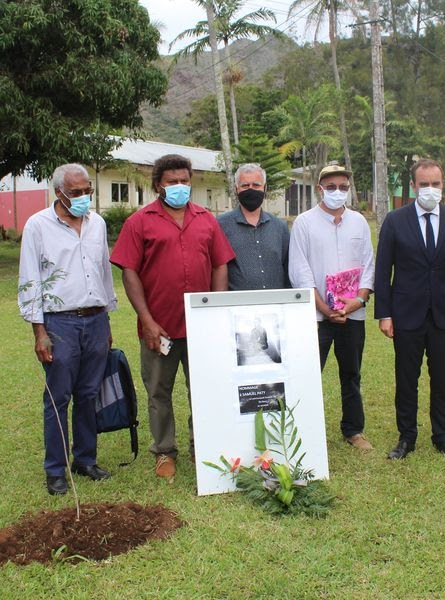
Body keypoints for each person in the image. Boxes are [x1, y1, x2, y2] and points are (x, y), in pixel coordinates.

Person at [110, 154, 235, 480]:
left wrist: (216, 308)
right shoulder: (139, 222)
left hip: (201, 326)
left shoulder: (206, 219)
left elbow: (220, 263)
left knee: (205, 388)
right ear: (157, 185)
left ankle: (203, 446)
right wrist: (147, 320)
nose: (180, 187)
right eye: (172, 182)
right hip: (159, 328)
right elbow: (129, 271)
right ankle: (164, 452)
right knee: (159, 392)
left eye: (184, 180)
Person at [18, 163, 116, 495]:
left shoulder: (97, 224)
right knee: (58, 397)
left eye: (87, 191)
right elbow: (30, 280)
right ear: (58, 191)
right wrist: (39, 332)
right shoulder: (38, 226)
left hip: (96, 319)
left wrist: (107, 319)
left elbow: (103, 272)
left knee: (88, 395)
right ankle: (55, 470)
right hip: (59, 322)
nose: (83, 198)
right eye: (75, 193)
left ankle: (85, 460)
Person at [375, 158, 445, 460]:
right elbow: (383, 270)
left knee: (442, 379)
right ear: (414, 186)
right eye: (424, 184)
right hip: (406, 314)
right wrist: (384, 314)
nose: (430, 189)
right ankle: (406, 437)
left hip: (444, 315)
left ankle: (442, 436)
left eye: (436, 184)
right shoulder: (395, 220)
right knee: (406, 379)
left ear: (443, 185)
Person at [289, 164, 375, 451]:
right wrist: (326, 310)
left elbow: (368, 267)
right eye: (332, 186)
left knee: (351, 374)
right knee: (310, 374)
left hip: (353, 313)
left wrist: (357, 301)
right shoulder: (304, 223)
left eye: (343, 187)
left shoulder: (359, 223)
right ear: (320, 189)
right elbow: (300, 271)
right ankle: (304, 429)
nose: (338, 192)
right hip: (316, 316)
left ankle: (354, 430)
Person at [217, 163, 290, 291]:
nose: (251, 189)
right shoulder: (221, 225)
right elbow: (217, 269)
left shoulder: (280, 227)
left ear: (265, 188)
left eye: (256, 185)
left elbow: (288, 267)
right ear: (236, 189)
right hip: (237, 306)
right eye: (245, 185)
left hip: (276, 305)